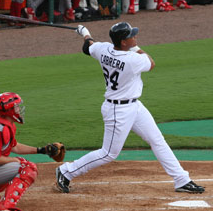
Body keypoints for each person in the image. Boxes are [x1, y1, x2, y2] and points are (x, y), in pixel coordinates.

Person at [54, 22, 205, 194]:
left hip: (134, 106)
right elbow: (151, 62)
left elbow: (88, 48)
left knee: (157, 139)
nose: (135, 37)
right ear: (123, 42)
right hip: (118, 111)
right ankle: (66, 171)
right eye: (131, 36)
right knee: (108, 153)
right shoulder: (132, 60)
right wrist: (135, 47)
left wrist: (85, 34)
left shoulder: (103, 49)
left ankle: (181, 180)